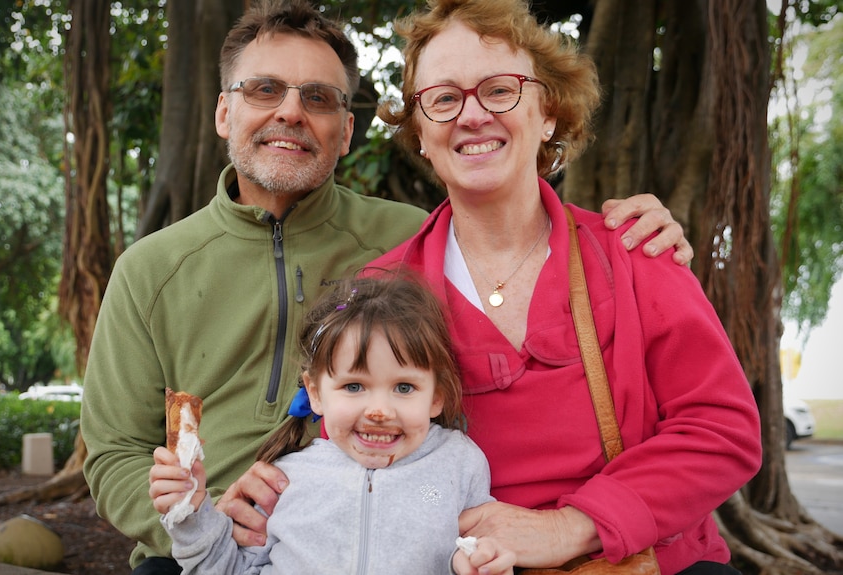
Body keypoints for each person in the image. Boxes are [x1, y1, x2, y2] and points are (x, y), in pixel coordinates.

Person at [80, 0, 694, 573]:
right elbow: (111, 456)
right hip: (203, 547)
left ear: (347, 132)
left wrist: (639, 234)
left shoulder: (408, 248)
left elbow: (509, 218)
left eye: (318, 98)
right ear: (223, 111)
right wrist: (208, 516)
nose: (290, 112)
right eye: (264, 89)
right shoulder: (150, 269)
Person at [363, 1, 761, 574]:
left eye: (499, 90)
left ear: (548, 112)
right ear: (421, 131)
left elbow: (723, 429)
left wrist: (569, 527)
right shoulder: (384, 291)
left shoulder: (636, 254)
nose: (472, 116)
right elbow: (352, 443)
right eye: (444, 99)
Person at [149, 275, 516, 574]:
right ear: (315, 393)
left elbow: (470, 546)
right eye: (354, 386)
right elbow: (227, 569)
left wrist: (476, 562)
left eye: (404, 387)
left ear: (436, 395)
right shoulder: (285, 477)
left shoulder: (458, 463)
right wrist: (192, 513)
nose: (379, 411)